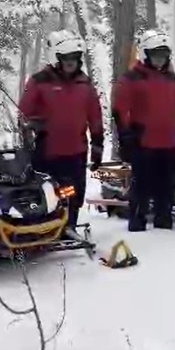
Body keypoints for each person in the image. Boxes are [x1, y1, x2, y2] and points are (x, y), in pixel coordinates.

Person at [18, 30, 103, 234]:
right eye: (66, 58)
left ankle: (69, 225)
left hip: (75, 150)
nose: (71, 62)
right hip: (46, 150)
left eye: (74, 58)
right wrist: (32, 127)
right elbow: (23, 113)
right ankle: (41, 228)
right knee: (48, 192)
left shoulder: (84, 83)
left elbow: (95, 114)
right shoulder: (39, 81)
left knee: (73, 193)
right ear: (56, 58)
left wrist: (98, 144)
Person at [112, 30, 175, 232]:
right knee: (141, 187)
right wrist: (125, 136)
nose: (160, 59)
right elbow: (120, 108)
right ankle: (138, 222)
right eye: (156, 55)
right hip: (143, 143)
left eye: (164, 55)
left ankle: (164, 222)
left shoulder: (173, 80)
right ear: (146, 55)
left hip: (170, 144)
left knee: (166, 188)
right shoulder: (131, 79)